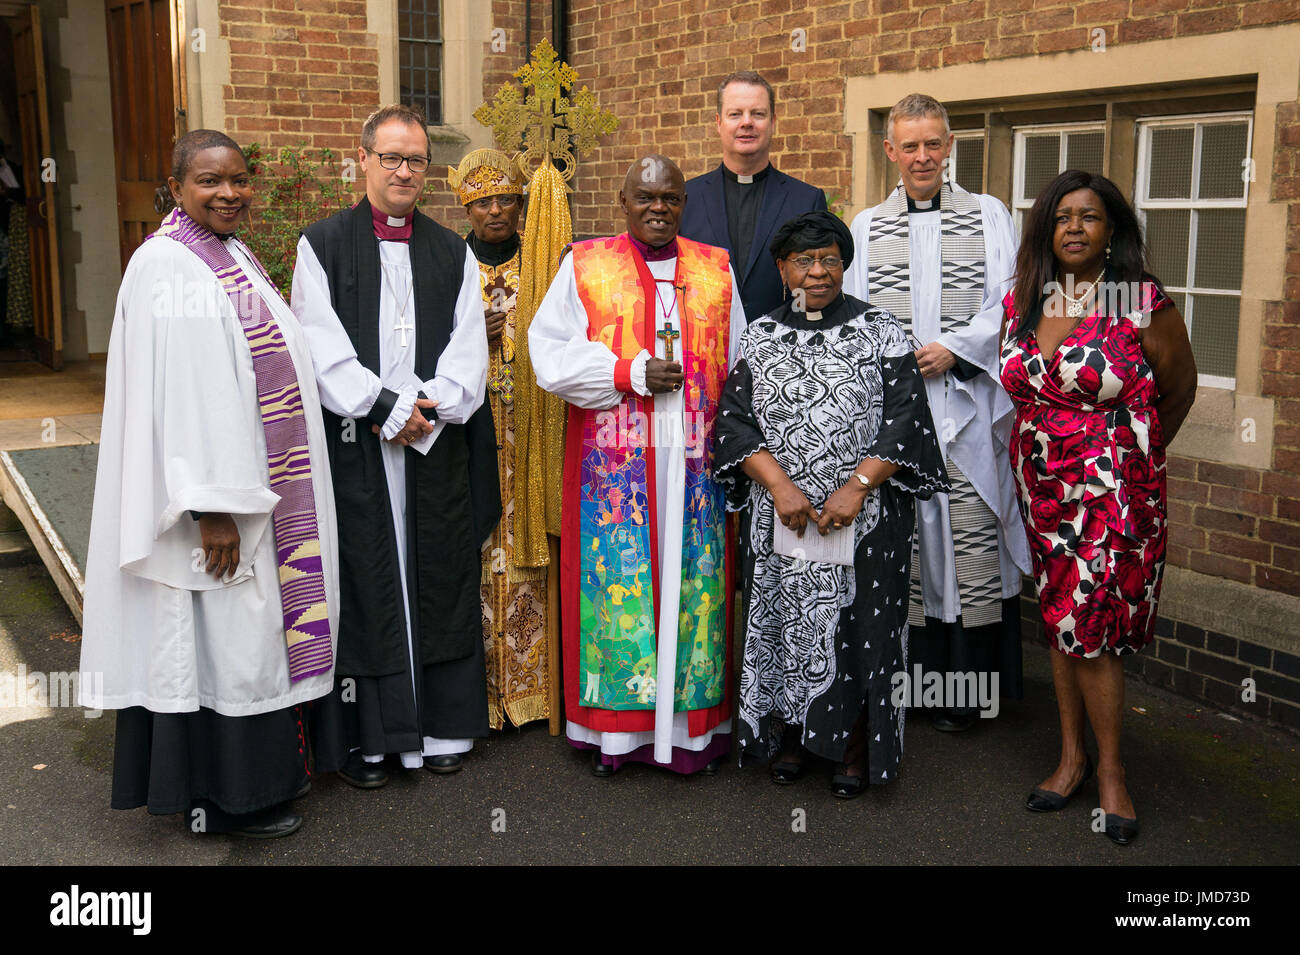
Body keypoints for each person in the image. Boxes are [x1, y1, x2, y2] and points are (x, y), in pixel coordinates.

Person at [80, 129, 338, 838]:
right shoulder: (167, 265)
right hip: (222, 507)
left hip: (258, 487)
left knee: (245, 642)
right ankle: (229, 798)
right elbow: (184, 399)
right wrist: (211, 509)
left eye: (238, 179)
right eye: (208, 181)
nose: (228, 192)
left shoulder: (230, 252)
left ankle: (255, 782)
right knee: (226, 643)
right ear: (176, 188)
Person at [291, 104, 499, 786]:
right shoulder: (320, 245)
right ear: (364, 159)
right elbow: (318, 348)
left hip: (432, 447)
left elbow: (471, 353)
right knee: (367, 578)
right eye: (392, 157)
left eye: (416, 160)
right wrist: (385, 408)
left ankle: (439, 728)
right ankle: (372, 739)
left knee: (438, 575)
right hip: (359, 443)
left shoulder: (451, 250)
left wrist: (425, 412)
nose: (405, 171)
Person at [716, 211, 948, 797]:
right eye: (804, 261)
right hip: (783, 517)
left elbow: (906, 421)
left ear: (844, 264)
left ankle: (851, 746)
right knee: (784, 621)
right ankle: (789, 736)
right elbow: (734, 424)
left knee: (860, 625)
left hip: (865, 520)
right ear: (782, 269)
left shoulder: (884, 331)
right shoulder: (760, 335)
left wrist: (858, 487)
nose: (817, 271)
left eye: (829, 260)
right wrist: (780, 486)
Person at [529, 153, 747, 776]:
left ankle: (688, 733)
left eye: (671, 198)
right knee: (618, 587)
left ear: (685, 204)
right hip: (614, 466)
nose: (659, 208)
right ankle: (615, 738)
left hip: (696, 463)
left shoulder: (716, 271)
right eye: (646, 197)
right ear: (623, 202)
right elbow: (550, 357)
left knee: (694, 588)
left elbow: (741, 364)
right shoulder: (586, 263)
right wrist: (626, 372)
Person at [1001, 170, 1196, 845]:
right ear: (1046, 230)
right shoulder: (1026, 298)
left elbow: (1179, 388)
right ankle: (1070, 756)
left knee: (1093, 625)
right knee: (1059, 618)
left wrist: (1128, 460)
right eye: (1062, 217)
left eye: (1089, 216)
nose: (1075, 228)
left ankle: (1111, 772)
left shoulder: (1140, 300)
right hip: (1041, 488)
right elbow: (1021, 391)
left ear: (1113, 229)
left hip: (1113, 492)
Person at [844, 93, 1031, 732]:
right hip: (899, 412)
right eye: (910, 145)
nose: (922, 156)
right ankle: (918, 689)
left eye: (933, 144)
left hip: (967, 408)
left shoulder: (988, 216)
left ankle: (974, 693)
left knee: (973, 543)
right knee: (915, 543)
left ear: (949, 147)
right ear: (890, 151)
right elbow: (856, 311)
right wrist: (893, 364)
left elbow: (1011, 298)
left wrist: (957, 347)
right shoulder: (867, 226)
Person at [449, 147, 552, 729]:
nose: (494, 211)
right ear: (465, 207)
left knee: (527, 553)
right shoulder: (449, 265)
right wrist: (466, 333)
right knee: (477, 550)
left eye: (505, 199)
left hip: (532, 436)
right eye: (481, 201)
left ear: (520, 203)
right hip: (471, 436)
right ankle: (481, 696)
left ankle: (536, 690)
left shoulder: (543, 266)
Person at [679, 71, 828, 324]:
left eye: (757, 114)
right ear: (718, 122)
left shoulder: (807, 201)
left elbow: (818, 288)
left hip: (782, 352)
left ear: (773, 122)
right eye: (735, 114)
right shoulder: (685, 199)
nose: (746, 122)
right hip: (704, 351)